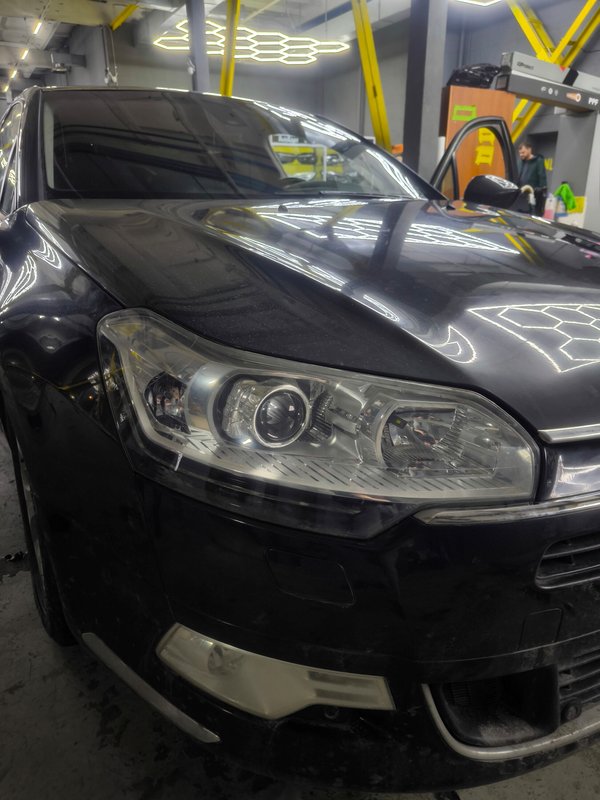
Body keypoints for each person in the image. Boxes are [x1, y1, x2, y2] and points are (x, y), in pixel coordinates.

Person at [517, 139, 547, 216]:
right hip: (521, 197)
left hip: (533, 197)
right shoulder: (521, 163)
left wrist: (541, 192)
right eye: (520, 153)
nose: (521, 155)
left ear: (529, 150)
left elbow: (542, 179)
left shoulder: (538, 161)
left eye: (523, 152)